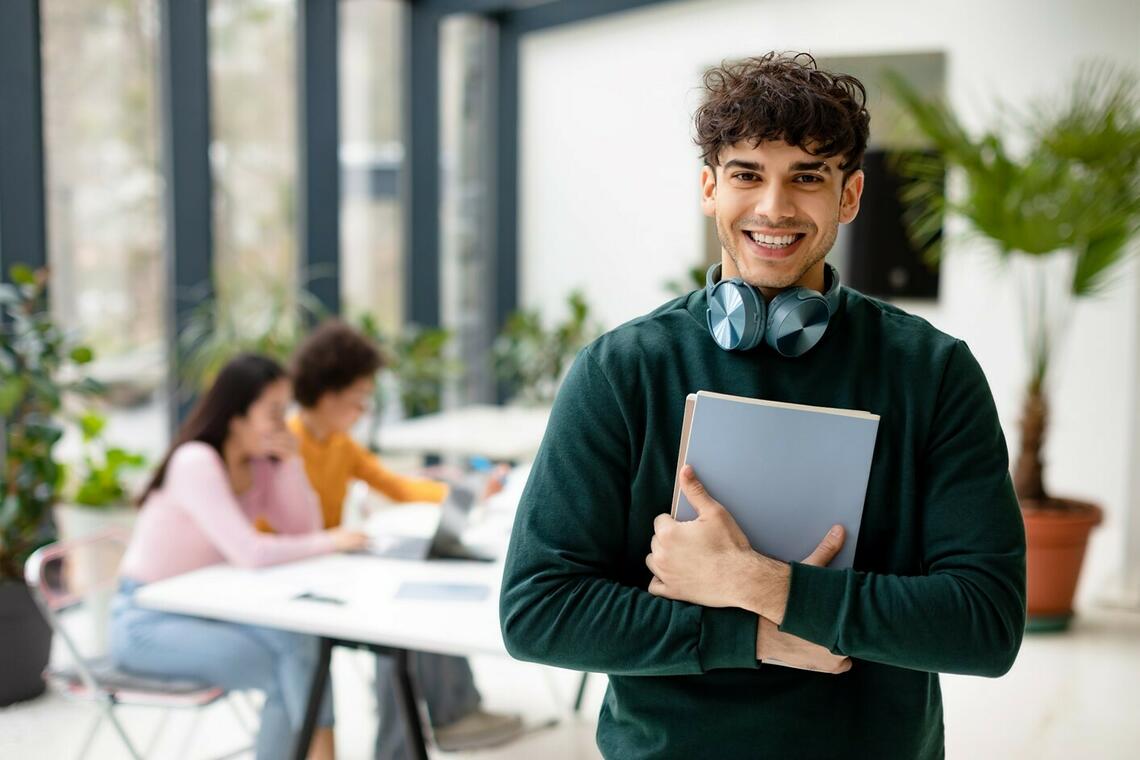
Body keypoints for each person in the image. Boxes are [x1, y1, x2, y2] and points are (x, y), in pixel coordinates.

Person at [499, 52, 1026, 759]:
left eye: (807, 177)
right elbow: (539, 611)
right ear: (710, 188)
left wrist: (759, 583)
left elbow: (984, 627)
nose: (775, 207)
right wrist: (747, 637)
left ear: (850, 195)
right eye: (748, 174)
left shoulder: (934, 373)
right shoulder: (621, 371)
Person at [111, 354, 368, 760]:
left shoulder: (259, 466)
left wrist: (292, 463)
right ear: (236, 415)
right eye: (273, 412)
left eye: (285, 411)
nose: (282, 423)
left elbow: (302, 533)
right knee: (290, 671)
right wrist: (334, 541)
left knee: (302, 647)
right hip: (145, 619)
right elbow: (250, 552)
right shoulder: (196, 461)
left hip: (208, 610)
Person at [286, 320, 523, 758]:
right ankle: (411, 740)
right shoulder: (287, 445)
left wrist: (466, 494)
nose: (362, 410)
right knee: (395, 625)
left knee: (426, 594)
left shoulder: (338, 444)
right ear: (329, 393)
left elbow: (396, 486)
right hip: (303, 576)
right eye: (359, 398)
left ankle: (453, 713)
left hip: (336, 563)